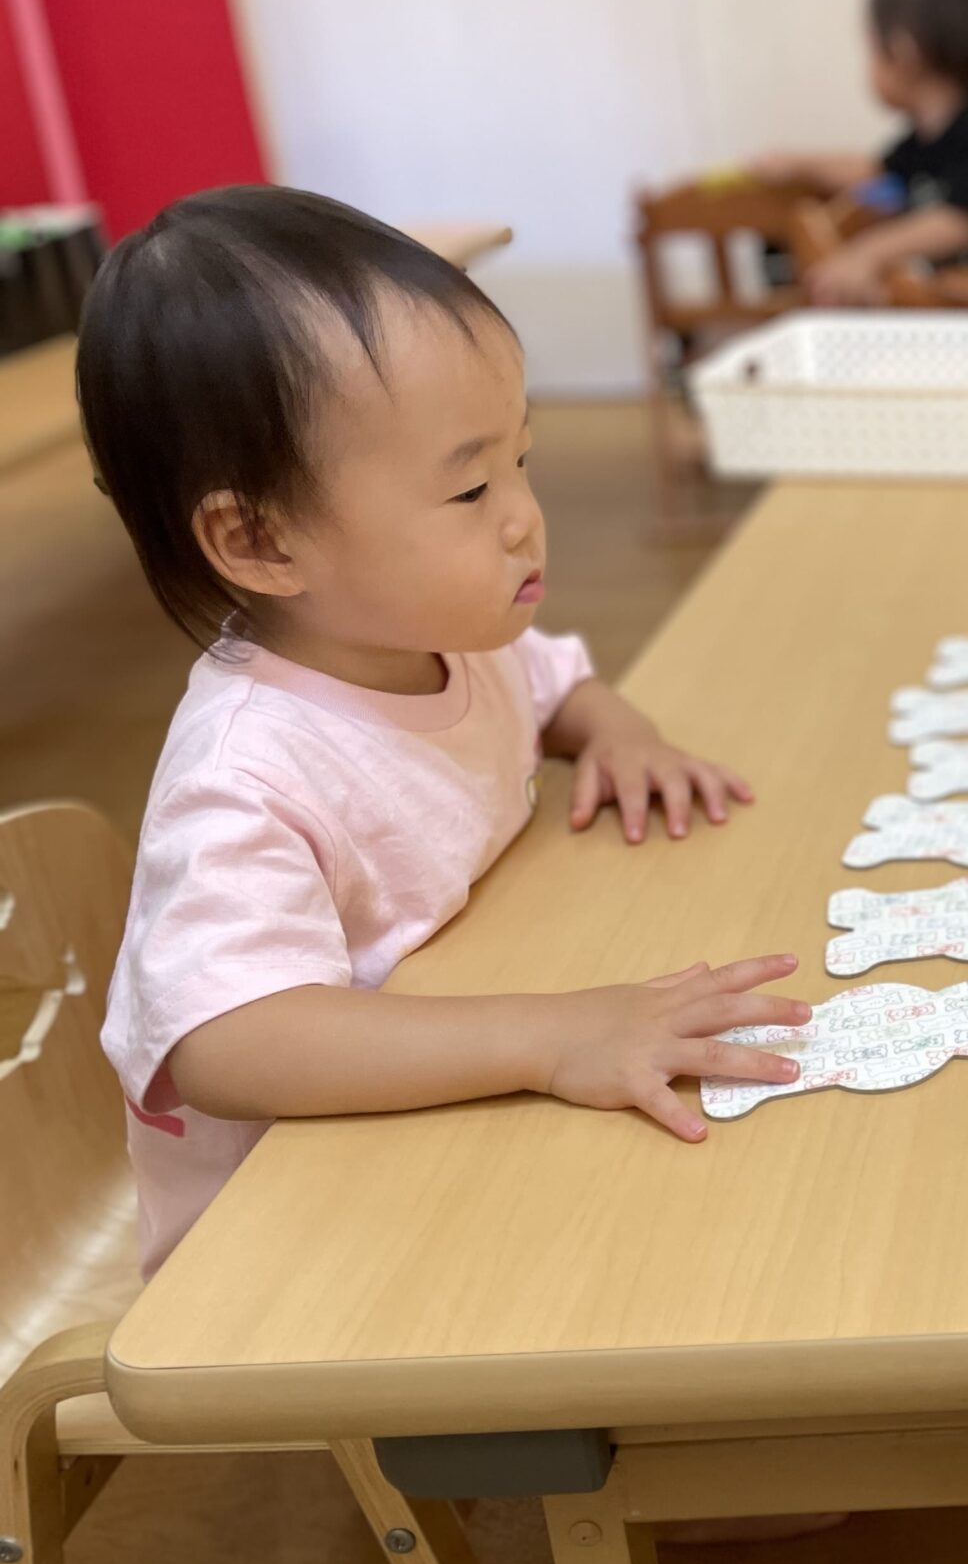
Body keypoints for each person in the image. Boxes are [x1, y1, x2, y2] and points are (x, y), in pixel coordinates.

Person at [80, 187, 807, 1276]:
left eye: (522, 459)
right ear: (261, 541)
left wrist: (621, 731)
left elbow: (554, 687)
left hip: (456, 1142)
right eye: (469, 489)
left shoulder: (442, 638)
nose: (522, 516)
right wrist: (551, 1036)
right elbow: (230, 1039)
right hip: (302, 1252)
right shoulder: (248, 771)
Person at [757, 0, 968, 304]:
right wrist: (797, 164)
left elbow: (962, 221)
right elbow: (873, 172)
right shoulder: (926, 137)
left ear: (903, 52)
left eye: (871, 49)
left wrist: (867, 254)